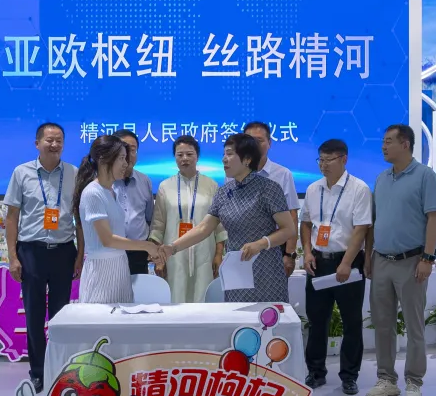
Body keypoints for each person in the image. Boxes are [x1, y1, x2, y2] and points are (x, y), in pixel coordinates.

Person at [164, 133, 297, 304]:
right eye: (224, 154)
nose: (224, 159)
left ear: (247, 159)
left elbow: (289, 229)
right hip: (236, 270)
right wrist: (173, 248)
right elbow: (204, 228)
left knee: (266, 317)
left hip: (265, 270)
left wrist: (261, 243)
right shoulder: (224, 192)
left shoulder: (269, 189)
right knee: (236, 318)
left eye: (230, 154)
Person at [364, 124, 436, 396]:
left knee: (414, 325)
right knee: (383, 324)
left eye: (388, 141)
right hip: (381, 260)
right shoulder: (382, 178)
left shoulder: (425, 176)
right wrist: (368, 256)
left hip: (412, 261)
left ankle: (414, 381)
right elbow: (374, 222)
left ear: (405, 144)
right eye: (383, 141)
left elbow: (433, 218)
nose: (383, 146)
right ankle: (386, 379)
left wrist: (427, 258)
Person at [4, 122, 84, 393]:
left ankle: (60, 370)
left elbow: (79, 218)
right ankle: (38, 372)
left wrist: (80, 254)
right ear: (37, 143)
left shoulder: (74, 173)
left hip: (63, 251)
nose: (54, 144)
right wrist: (13, 257)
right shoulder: (22, 173)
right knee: (34, 316)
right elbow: (12, 217)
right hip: (31, 252)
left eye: (59, 140)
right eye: (49, 140)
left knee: (61, 317)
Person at [300, 139, 372, 395]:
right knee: (317, 320)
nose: (323, 165)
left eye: (328, 160)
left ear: (343, 159)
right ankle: (316, 372)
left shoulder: (359, 189)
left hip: (348, 263)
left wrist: (346, 263)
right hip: (318, 262)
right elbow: (306, 223)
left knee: (352, 322)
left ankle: (349, 376)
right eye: (320, 160)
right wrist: (307, 252)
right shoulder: (313, 189)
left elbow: (361, 229)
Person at [74, 135, 163, 305]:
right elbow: (107, 239)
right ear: (103, 160)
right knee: (101, 318)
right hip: (102, 271)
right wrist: (146, 246)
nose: (126, 164)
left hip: (120, 266)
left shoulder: (110, 192)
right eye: (121, 158)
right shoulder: (93, 193)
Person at [149, 135, 227, 304]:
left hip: (205, 252)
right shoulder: (165, 186)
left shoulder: (212, 185)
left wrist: (218, 255)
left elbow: (219, 226)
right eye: (180, 155)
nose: (185, 158)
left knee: (204, 295)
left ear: (197, 156)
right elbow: (158, 225)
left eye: (189, 154)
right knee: (176, 295)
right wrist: (159, 259)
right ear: (175, 158)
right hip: (173, 254)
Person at [244, 122, 301, 277]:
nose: (254, 145)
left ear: (269, 143)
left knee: (273, 292)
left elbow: (292, 215)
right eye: (249, 140)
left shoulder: (282, 174)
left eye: (259, 140)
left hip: (274, 246)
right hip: (243, 247)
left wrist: (289, 253)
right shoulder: (233, 174)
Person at [111, 129, 155, 275]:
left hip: (138, 253)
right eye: (123, 149)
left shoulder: (145, 181)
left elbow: (149, 217)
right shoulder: (103, 183)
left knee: (139, 289)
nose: (128, 154)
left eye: (133, 149)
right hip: (110, 251)